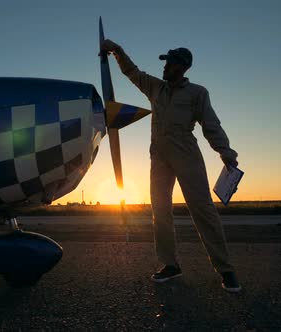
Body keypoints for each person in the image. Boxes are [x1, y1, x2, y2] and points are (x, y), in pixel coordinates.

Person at [101, 39, 241, 292]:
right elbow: (133, 72)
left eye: (170, 63)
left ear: (183, 67)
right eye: (165, 63)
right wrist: (118, 52)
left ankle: (226, 269)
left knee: (203, 210)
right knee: (160, 211)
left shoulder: (198, 93)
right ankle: (170, 265)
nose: (165, 67)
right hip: (159, 157)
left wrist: (226, 152)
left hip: (186, 153)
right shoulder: (156, 88)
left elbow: (211, 125)